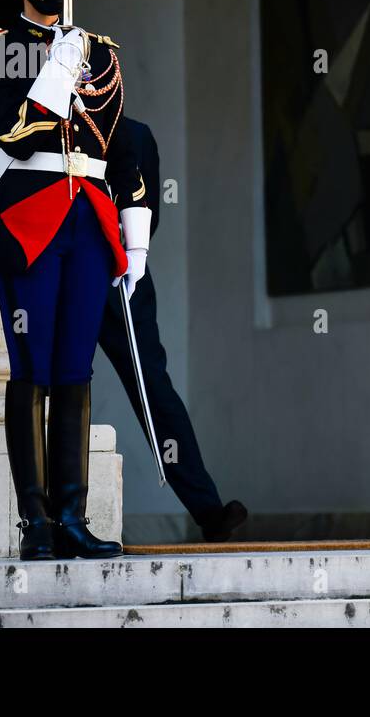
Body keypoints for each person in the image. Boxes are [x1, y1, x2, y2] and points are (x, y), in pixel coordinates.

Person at [0, 0, 152, 561]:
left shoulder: (100, 50)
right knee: (32, 368)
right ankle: (35, 524)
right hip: (30, 218)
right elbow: (11, 133)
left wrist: (137, 232)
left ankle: (73, 517)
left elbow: (121, 145)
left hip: (87, 220)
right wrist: (53, 75)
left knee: (76, 371)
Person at [97, 116, 248, 542]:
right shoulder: (52, 123)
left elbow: (147, 217)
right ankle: (58, 515)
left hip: (122, 277)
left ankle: (207, 510)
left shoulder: (135, 134)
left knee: (154, 391)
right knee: (62, 387)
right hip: (65, 273)